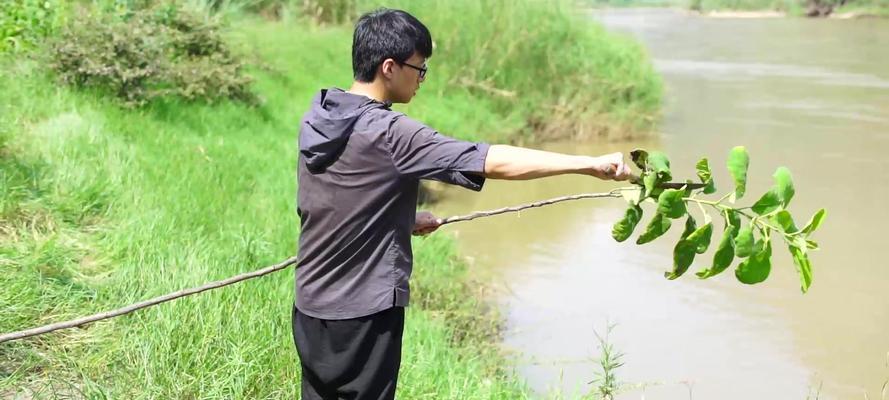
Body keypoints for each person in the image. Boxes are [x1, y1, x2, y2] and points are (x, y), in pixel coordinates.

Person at [293, 8, 632, 400]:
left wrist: (397, 219)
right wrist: (586, 164)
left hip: (311, 305)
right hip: (362, 314)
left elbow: (326, 201)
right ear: (389, 67)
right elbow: (490, 160)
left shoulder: (320, 116)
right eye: (418, 68)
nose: (421, 79)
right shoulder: (391, 132)